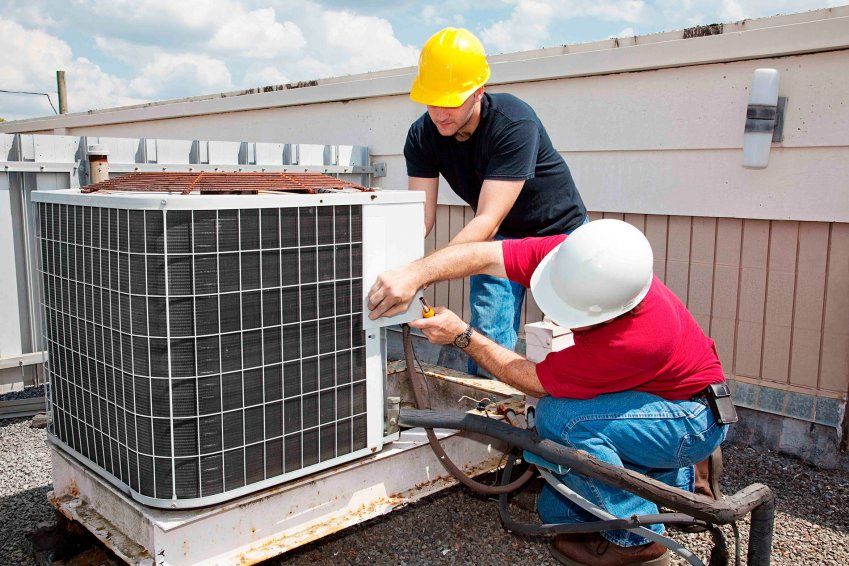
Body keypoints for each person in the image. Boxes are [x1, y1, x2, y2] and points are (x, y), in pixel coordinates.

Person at [367, 219, 730, 566]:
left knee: (560, 420)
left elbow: (532, 379)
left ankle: (640, 542)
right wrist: (416, 272)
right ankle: (683, 483)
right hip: (659, 399)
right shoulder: (575, 259)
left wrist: (462, 335)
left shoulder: (636, 339)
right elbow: (484, 254)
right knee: (554, 511)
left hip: (691, 418)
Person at [405, 27, 587, 376]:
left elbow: (486, 218)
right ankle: (490, 419)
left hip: (561, 235)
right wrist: (398, 265)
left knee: (580, 332)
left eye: (453, 100)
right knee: (486, 336)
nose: (441, 113)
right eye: (432, 100)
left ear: (478, 91)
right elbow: (421, 217)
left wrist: (420, 274)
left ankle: (573, 415)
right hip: (501, 239)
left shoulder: (513, 122)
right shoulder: (422, 135)